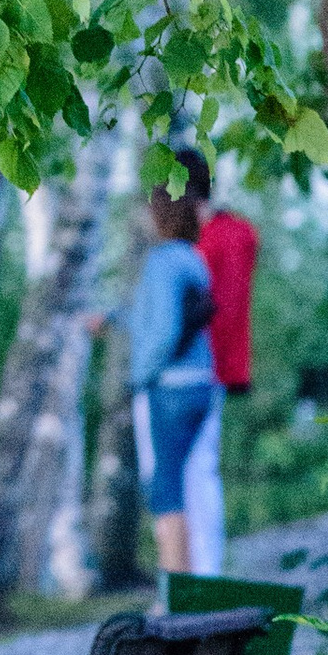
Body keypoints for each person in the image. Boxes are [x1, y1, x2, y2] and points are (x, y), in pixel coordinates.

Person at [128, 177, 219, 582]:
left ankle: (176, 596)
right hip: (202, 382)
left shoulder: (161, 262)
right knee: (192, 483)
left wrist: (141, 374)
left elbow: (163, 331)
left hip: (169, 388)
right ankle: (198, 582)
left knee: (166, 492)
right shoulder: (192, 259)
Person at [180, 146, 259, 579]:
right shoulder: (242, 233)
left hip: (200, 367)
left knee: (195, 473)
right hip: (229, 364)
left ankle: (203, 572)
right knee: (205, 469)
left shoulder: (202, 248)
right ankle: (204, 569)